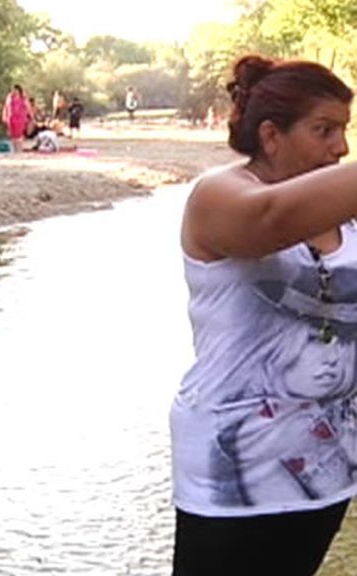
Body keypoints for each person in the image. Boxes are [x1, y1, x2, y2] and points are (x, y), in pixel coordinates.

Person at [173, 54, 356, 576]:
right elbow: (269, 222)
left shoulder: (343, 211)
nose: (340, 147)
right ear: (272, 135)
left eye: (343, 130)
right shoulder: (220, 195)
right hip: (231, 472)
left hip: (327, 466)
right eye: (324, 130)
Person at [1, 84, 29, 151]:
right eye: (13, 90)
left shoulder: (23, 98)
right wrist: (4, 115)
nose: (14, 91)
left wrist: (30, 116)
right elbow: (6, 107)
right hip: (11, 118)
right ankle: (15, 149)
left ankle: (20, 149)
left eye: (16, 90)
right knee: (12, 134)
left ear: (19, 90)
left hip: (20, 118)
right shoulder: (9, 97)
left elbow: (28, 107)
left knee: (19, 134)